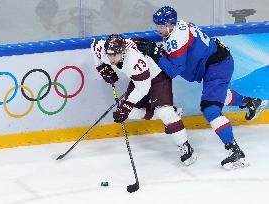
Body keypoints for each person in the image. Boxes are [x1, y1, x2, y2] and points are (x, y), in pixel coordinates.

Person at [152, 6, 268, 170]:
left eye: (161, 26)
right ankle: (251, 102)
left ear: (171, 24)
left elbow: (172, 71)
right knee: (218, 95)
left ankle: (236, 153)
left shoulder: (177, 39)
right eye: (157, 25)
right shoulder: (180, 26)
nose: (158, 29)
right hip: (214, 63)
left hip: (218, 65)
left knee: (211, 109)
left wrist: (156, 55)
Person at [91, 34, 197, 166]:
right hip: (139, 80)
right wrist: (101, 67)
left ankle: (185, 146)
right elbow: (94, 45)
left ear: (123, 51)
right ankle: (172, 113)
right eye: (109, 55)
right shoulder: (105, 51)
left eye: (115, 55)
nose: (111, 59)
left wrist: (127, 104)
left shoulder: (135, 61)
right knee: (130, 112)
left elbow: (143, 88)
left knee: (163, 112)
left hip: (158, 76)